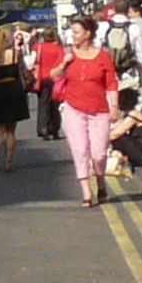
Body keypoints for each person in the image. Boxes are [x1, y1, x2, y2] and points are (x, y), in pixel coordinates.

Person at [47, 16, 122, 207]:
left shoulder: (103, 56)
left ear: (88, 34)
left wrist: (114, 106)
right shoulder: (68, 54)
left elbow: (111, 83)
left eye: (77, 32)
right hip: (73, 109)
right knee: (80, 150)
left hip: (99, 111)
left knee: (99, 154)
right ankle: (86, 192)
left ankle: (100, 181)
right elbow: (53, 76)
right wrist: (64, 63)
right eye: (72, 32)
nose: (73, 36)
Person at [0, 28, 30, 170]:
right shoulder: (15, 54)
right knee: (11, 130)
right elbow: (23, 71)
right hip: (13, 89)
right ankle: (9, 162)